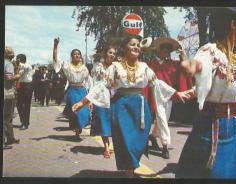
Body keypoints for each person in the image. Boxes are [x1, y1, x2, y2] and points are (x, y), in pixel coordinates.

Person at [72, 35, 190, 177]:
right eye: (132, 44)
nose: (136, 47)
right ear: (124, 48)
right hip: (121, 107)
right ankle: (129, 171)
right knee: (125, 141)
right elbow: (101, 86)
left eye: (138, 45)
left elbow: (157, 84)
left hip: (140, 108)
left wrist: (176, 94)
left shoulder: (144, 67)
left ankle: (130, 168)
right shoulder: (115, 67)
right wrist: (82, 102)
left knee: (138, 142)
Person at [176, 8, 236, 179]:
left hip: (235, 126)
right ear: (233, 25)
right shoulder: (210, 51)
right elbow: (201, 63)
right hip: (209, 125)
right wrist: (193, 66)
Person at [145, 37, 195, 159]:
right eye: (164, 49)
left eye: (168, 50)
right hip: (156, 95)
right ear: (159, 50)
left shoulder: (173, 64)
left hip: (169, 95)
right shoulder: (151, 63)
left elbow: (186, 69)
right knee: (162, 119)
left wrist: (183, 56)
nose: (166, 52)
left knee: (163, 120)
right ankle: (165, 146)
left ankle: (153, 136)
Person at [53, 37, 93, 139]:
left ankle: (78, 128)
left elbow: (89, 80)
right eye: (75, 54)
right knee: (75, 111)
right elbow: (55, 60)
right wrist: (55, 46)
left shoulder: (84, 67)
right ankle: (77, 128)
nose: (77, 55)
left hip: (82, 91)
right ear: (72, 56)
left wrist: (91, 94)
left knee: (84, 111)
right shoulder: (67, 66)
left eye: (78, 54)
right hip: (72, 91)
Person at [90, 45, 117, 158]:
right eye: (110, 52)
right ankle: (106, 146)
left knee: (113, 122)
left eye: (114, 53)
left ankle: (112, 144)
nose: (112, 55)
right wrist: (91, 99)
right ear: (105, 53)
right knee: (103, 121)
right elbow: (94, 83)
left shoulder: (116, 67)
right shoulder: (98, 67)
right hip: (100, 97)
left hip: (114, 97)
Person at [4, 46, 20, 148]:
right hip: (7, 93)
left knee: (8, 118)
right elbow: (9, 77)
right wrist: (17, 76)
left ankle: (10, 138)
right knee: (6, 118)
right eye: (12, 52)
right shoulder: (8, 63)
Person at [16, 54, 34, 130]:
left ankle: (25, 123)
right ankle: (22, 121)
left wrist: (18, 63)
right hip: (21, 85)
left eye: (18, 59)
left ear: (21, 59)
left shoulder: (28, 66)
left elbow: (25, 67)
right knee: (18, 104)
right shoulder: (19, 67)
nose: (16, 60)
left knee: (26, 105)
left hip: (28, 86)